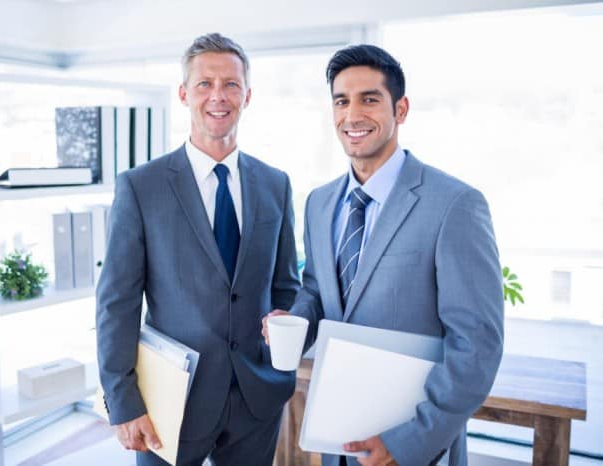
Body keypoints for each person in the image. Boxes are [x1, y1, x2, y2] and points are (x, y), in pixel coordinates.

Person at [263, 44, 504, 466]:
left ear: (401, 109)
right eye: (341, 101)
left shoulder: (455, 204)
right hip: (336, 439)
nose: (352, 115)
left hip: (411, 445)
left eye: (369, 99)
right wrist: (297, 321)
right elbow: (319, 289)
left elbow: (477, 345)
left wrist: (410, 441)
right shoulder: (319, 203)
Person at [97, 33, 300, 466]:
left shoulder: (275, 184)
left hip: (256, 397)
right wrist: (123, 399)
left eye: (230, 84)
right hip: (169, 399)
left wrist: (284, 338)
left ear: (247, 95)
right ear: (184, 93)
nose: (218, 96)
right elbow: (117, 302)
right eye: (205, 84)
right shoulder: (140, 187)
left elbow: (286, 287)